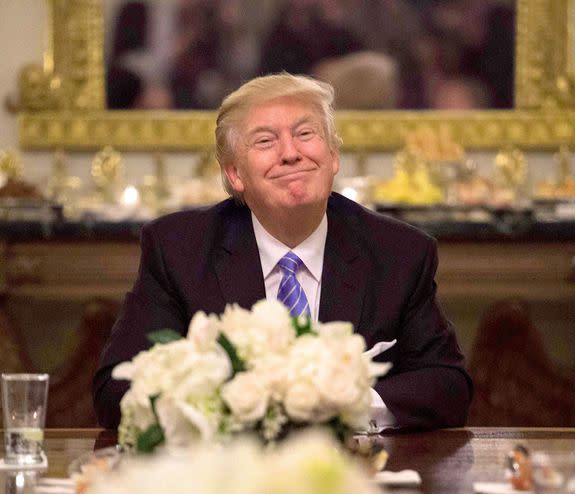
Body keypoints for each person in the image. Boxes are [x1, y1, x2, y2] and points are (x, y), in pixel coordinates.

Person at [93, 73, 472, 430]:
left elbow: (448, 387)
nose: (290, 153)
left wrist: (345, 406)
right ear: (235, 175)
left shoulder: (399, 253)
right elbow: (115, 390)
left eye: (305, 133)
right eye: (265, 141)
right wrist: (244, 407)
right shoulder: (179, 251)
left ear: (333, 156)